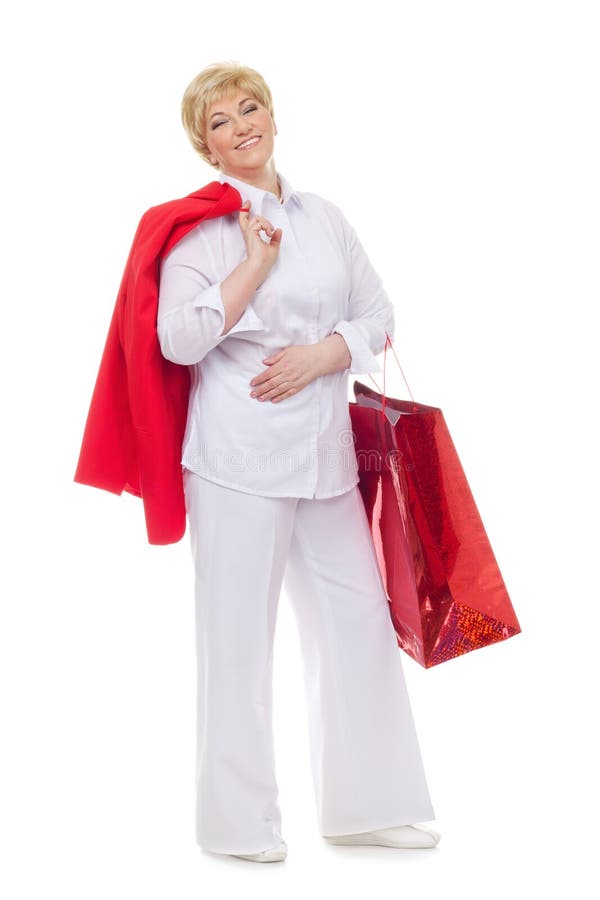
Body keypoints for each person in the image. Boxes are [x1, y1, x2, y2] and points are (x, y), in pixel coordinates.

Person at [157, 61, 441, 862]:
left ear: (274, 118)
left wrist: (325, 355)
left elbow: (377, 313)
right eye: (220, 120)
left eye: (251, 107)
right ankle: (237, 828)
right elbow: (176, 340)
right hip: (236, 462)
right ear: (206, 148)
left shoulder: (324, 218)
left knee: (355, 624)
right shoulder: (200, 234)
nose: (241, 124)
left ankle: (369, 806)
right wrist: (250, 267)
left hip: (325, 459)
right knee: (238, 641)